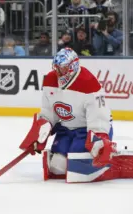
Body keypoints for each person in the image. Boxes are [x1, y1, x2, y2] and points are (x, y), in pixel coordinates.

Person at [19, 47, 133, 183]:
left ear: (73, 66)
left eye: (63, 68)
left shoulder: (89, 83)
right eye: (57, 68)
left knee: (77, 165)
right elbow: (49, 111)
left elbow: (99, 115)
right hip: (66, 129)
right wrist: (41, 130)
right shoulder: (50, 80)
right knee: (58, 165)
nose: (59, 72)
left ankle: (112, 162)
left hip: (87, 130)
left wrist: (99, 137)